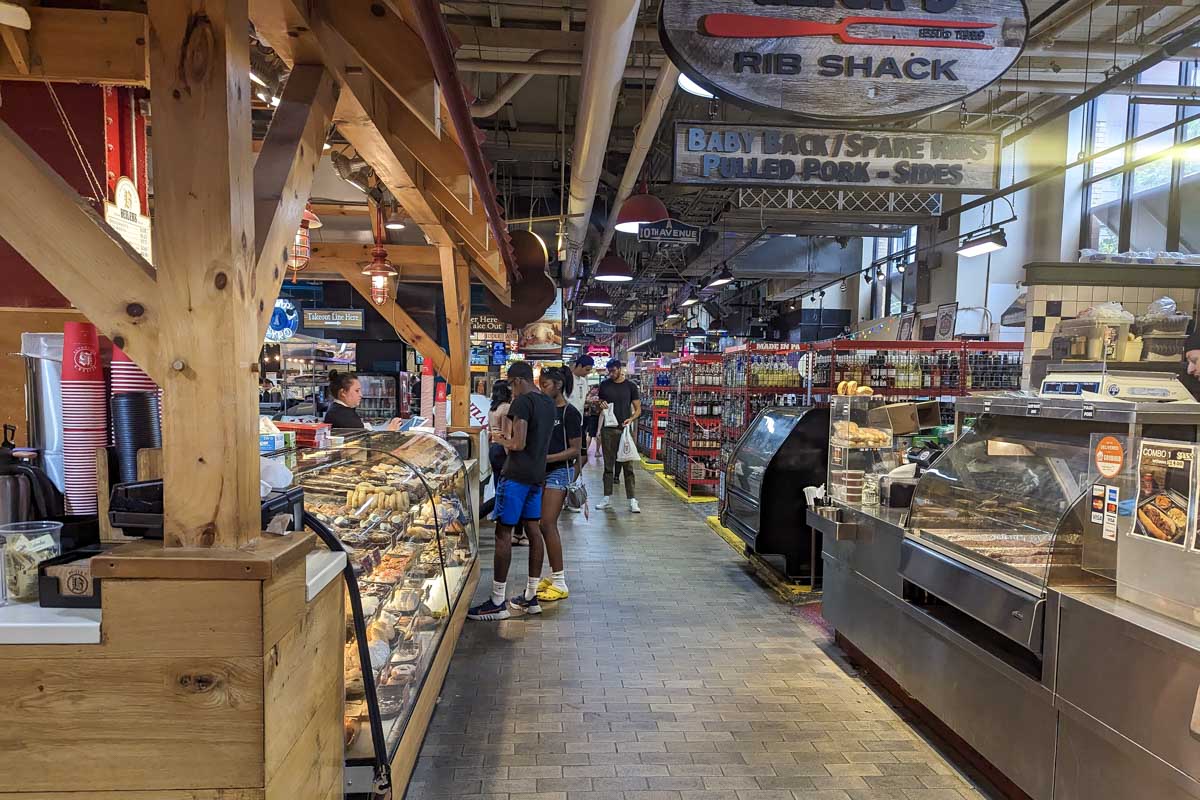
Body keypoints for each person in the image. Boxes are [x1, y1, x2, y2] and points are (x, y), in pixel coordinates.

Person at [468, 361, 556, 621]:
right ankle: (530, 597)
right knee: (533, 529)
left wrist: (497, 438)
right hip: (537, 475)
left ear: (518, 381)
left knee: (503, 533)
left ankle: (497, 601)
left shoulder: (522, 403)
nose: (511, 390)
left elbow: (518, 443)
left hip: (516, 475)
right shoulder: (548, 403)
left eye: (511, 384)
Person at [534, 366, 581, 602]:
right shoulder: (543, 410)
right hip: (540, 473)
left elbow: (575, 450)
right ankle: (552, 576)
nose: (542, 389)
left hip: (559, 473)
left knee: (547, 524)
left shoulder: (569, 413)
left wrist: (547, 459)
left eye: (545, 385)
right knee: (540, 525)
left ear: (558, 385)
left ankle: (560, 581)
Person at [596, 358, 641, 513]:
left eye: (613, 371)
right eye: (609, 371)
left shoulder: (630, 386)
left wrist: (631, 418)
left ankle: (632, 499)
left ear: (620, 370)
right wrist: (600, 405)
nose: (610, 374)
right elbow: (600, 403)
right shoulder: (605, 385)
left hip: (625, 429)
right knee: (608, 465)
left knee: (628, 466)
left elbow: (638, 409)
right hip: (609, 429)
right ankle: (607, 497)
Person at [324, 370, 402, 431]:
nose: (361, 395)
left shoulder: (339, 410)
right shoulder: (342, 416)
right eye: (357, 391)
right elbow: (367, 444)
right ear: (343, 392)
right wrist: (390, 431)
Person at [487, 380, 512, 518]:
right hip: (502, 448)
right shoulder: (506, 408)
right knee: (506, 483)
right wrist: (510, 455)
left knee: (498, 482)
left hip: (493, 448)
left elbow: (489, 430)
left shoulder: (492, 408)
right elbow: (507, 433)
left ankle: (497, 512)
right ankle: (502, 513)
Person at [568, 355, 594, 471]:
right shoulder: (567, 379)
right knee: (568, 456)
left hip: (580, 424)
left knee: (583, 457)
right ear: (578, 366)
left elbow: (581, 400)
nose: (587, 373)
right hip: (567, 423)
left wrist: (590, 403)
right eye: (586, 369)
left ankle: (570, 483)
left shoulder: (584, 382)